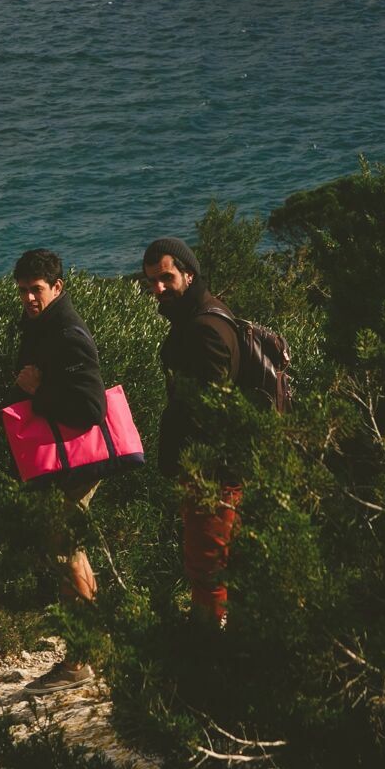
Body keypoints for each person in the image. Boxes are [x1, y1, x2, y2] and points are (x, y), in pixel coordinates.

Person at [4, 247, 108, 693]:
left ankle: (80, 659)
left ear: (58, 287)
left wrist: (39, 389)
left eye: (37, 290)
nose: (28, 297)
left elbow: (90, 406)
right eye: (23, 291)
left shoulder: (67, 331)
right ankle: (93, 648)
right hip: (61, 457)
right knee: (72, 550)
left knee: (66, 551)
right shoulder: (41, 324)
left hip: (77, 459)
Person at [141, 235, 243, 628]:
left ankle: (206, 653)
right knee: (215, 565)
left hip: (213, 473)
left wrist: (193, 466)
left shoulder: (204, 327)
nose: (158, 289)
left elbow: (213, 410)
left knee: (207, 567)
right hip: (211, 470)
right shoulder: (199, 316)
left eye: (166, 278)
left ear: (189, 273)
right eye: (151, 281)